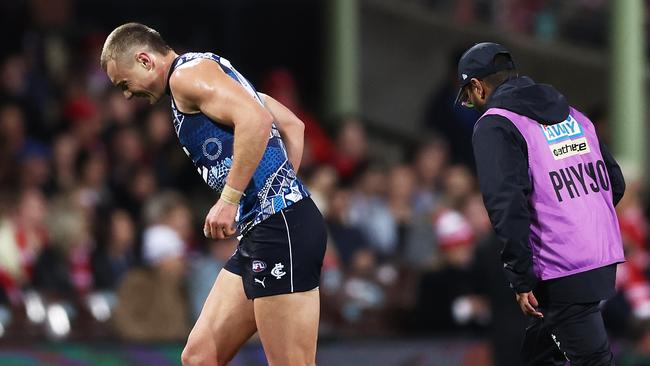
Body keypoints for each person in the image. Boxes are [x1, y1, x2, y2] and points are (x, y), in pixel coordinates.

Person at [100, 23, 327, 366]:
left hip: (281, 231)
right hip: (269, 228)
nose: (127, 95)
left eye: (124, 84)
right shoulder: (216, 72)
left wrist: (233, 199)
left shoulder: (184, 78)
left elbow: (256, 121)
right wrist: (270, 195)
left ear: (145, 60)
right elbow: (293, 125)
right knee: (199, 357)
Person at [456, 42, 626, 365]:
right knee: (537, 356)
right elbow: (615, 183)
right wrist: (579, 220)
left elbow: (506, 204)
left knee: (592, 360)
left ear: (477, 87)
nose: (471, 104)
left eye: (467, 97)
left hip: (557, 268)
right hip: (599, 257)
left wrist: (521, 278)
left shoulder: (495, 123)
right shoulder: (573, 114)